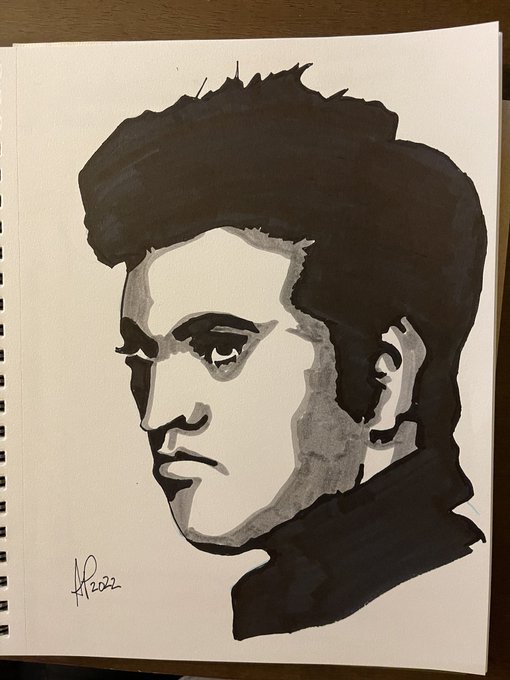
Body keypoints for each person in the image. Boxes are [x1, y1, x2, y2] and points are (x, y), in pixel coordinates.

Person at [78, 65, 487, 639]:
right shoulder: (298, 610)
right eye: (142, 359)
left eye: (221, 350)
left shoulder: (419, 613)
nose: (156, 415)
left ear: (384, 381)